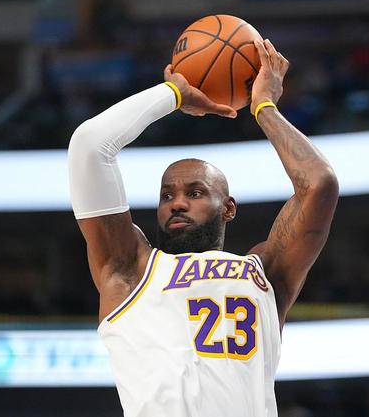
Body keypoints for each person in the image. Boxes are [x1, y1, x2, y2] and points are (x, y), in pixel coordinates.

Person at [68, 39, 339, 416]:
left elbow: (319, 184)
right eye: (167, 195)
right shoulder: (130, 270)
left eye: (195, 193)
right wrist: (172, 94)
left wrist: (264, 107)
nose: (177, 203)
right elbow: (89, 145)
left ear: (228, 208)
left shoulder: (266, 272)